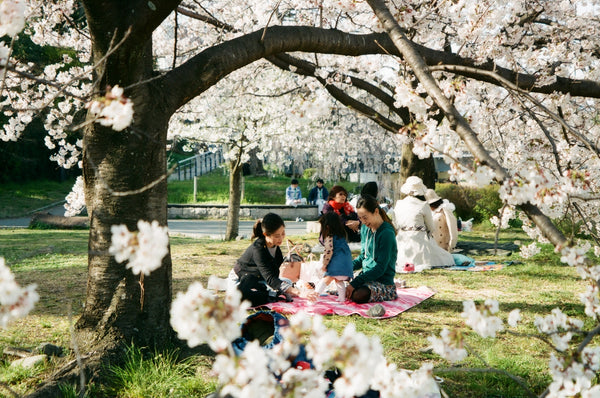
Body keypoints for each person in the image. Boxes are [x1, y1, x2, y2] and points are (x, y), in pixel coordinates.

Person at [228, 213, 316, 306]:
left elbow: (274, 275)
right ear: (266, 234)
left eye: (283, 233)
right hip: (241, 280)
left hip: (260, 279)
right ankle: (270, 295)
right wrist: (298, 292)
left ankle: (270, 293)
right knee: (245, 296)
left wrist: (287, 288)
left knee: (288, 282)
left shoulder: (276, 248)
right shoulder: (258, 249)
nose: (281, 238)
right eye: (277, 236)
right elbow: (270, 279)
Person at [393, 176, 454, 272]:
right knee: (447, 258)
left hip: (401, 242)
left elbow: (395, 224)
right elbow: (431, 227)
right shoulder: (423, 205)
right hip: (419, 241)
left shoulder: (398, 204)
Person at [346, 195, 398, 303]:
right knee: (341, 285)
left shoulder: (386, 233)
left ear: (376, 211)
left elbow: (380, 268)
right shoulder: (366, 228)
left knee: (357, 295)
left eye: (365, 217)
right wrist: (346, 269)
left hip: (383, 283)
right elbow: (363, 257)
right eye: (360, 218)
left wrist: (355, 283)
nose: (363, 221)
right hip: (367, 278)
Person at [314, 212, 354, 302]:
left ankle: (314, 296)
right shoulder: (341, 237)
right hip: (347, 264)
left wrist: (325, 264)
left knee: (326, 280)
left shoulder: (330, 237)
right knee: (339, 280)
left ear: (327, 227)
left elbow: (328, 252)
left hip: (337, 264)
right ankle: (341, 298)